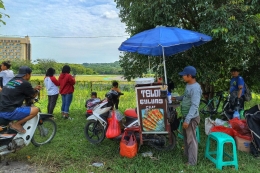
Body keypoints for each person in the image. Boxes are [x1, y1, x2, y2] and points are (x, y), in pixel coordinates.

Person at [172, 66, 202, 166]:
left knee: (191, 139)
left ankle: (192, 162)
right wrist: (176, 98)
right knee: (186, 137)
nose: (182, 77)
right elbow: (185, 97)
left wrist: (187, 120)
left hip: (192, 118)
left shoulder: (195, 88)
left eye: (184, 75)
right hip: (186, 116)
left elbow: (194, 105)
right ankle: (187, 155)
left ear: (189, 76)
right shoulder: (189, 85)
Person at [0, 66, 41, 134]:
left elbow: (20, 89)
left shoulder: (12, 80)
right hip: (9, 112)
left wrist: (33, 89)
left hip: (1, 109)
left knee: (22, 106)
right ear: (27, 74)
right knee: (35, 109)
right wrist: (37, 90)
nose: (30, 76)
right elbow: (33, 95)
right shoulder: (25, 83)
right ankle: (17, 124)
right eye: (30, 74)